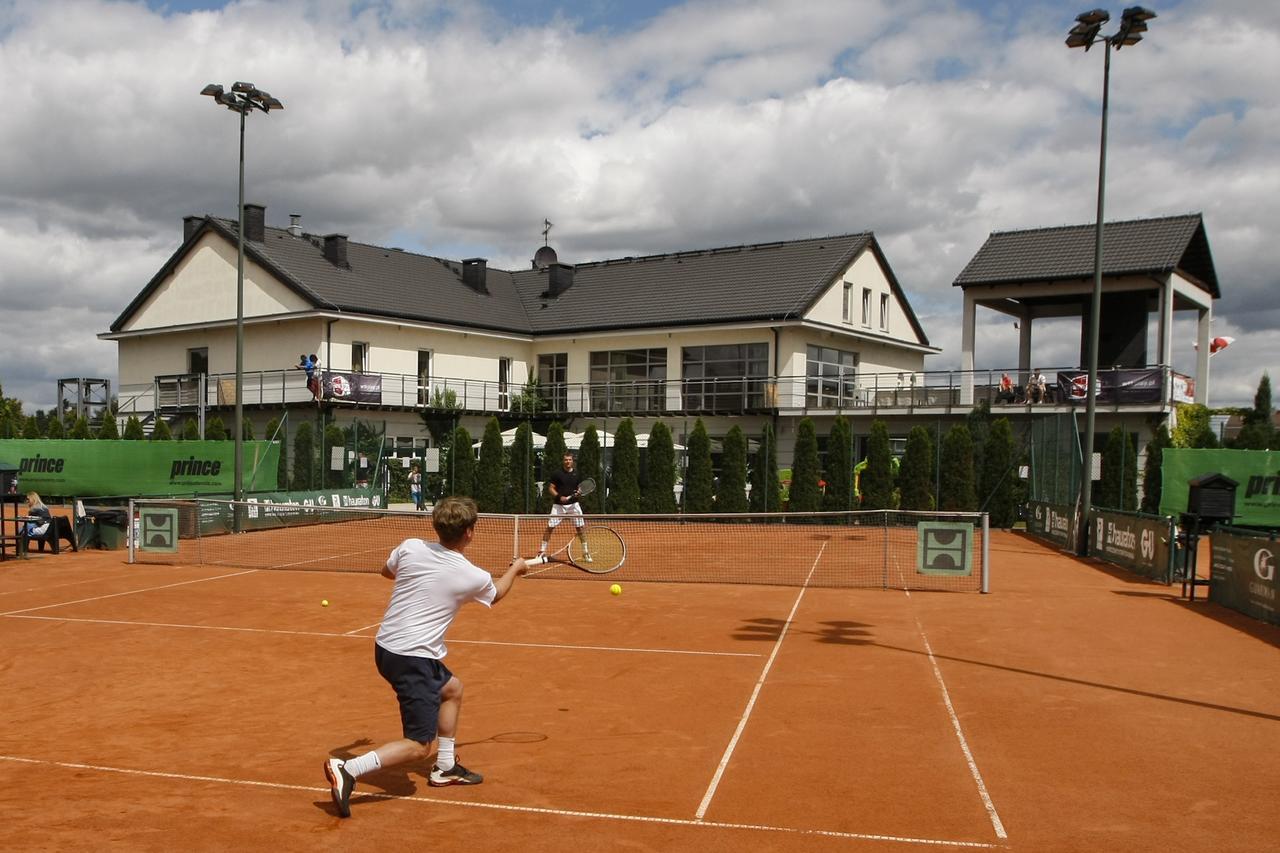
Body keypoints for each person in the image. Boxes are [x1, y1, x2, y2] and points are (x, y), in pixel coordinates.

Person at [324, 496, 528, 819]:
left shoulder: (410, 547)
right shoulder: (470, 575)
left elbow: (386, 572)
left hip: (386, 648)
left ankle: (445, 767)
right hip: (412, 658)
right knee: (419, 745)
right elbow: (497, 593)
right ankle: (348, 768)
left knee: (452, 689)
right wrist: (516, 569)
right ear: (470, 533)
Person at [539, 452, 590, 561]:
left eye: (570, 460)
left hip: (574, 505)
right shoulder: (557, 474)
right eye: (566, 460)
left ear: (572, 461)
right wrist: (559, 496)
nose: (568, 462)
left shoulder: (577, 474)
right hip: (559, 506)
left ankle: (586, 552)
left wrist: (579, 492)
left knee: (580, 528)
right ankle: (542, 552)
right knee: (550, 528)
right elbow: (551, 488)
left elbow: (579, 489)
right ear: (563, 461)